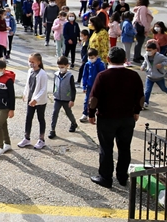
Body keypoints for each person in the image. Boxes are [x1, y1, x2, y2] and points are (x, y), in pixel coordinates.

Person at [87, 47, 144, 188]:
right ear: (125, 60)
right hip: (127, 118)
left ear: (108, 59)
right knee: (124, 147)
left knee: (106, 148)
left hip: (106, 118)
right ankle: (122, 176)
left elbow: (94, 98)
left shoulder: (102, 76)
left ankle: (105, 178)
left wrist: (91, 113)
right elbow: (141, 97)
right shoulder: (134, 76)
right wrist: (136, 111)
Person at [18, 53, 49, 149]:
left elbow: (43, 89)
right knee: (28, 118)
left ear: (39, 62)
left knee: (40, 118)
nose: (31, 64)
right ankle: (26, 138)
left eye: (33, 62)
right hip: (30, 100)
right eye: (30, 61)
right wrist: (25, 94)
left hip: (40, 102)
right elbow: (28, 85)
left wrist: (36, 99)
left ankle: (41, 139)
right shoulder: (30, 71)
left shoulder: (42, 74)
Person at [141, 41, 167, 108]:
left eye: (150, 50)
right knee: (147, 90)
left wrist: (161, 64)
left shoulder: (160, 56)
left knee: (163, 88)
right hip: (150, 76)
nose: (148, 52)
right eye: (147, 50)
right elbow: (145, 62)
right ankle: (145, 102)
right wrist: (143, 66)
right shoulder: (146, 55)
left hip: (159, 77)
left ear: (155, 50)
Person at [48, 55, 78, 139]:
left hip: (66, 99)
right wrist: (54, 93)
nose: (61, 68)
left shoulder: (70, 76)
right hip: (58, 98)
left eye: (62, 67)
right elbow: (55, 85)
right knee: (55, 113)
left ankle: (74, 123)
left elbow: (73, 89)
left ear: (67, 66)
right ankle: (52, 130)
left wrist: (72, 99)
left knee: (68, 113)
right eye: (59, 67)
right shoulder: (56, 74)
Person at [79, 48, 106, 122]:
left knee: (99, 100)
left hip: (98, 86)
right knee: (87, 100)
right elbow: (85, 75)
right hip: (90, 86)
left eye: (92, 58)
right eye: (90, 58)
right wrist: (84, 86)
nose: (91, 59)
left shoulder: (100, 65)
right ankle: (85, 113)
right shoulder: (87, 64)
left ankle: (99, 113)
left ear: (97, 56)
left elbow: (102, 76)